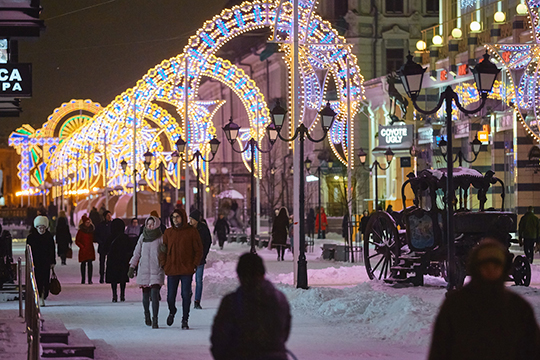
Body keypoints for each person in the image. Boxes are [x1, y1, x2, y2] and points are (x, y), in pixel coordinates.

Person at [428, 238, 540, 360]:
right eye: (485, 264)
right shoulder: (455, 305)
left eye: (496, 264)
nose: (490, 269)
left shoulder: (518, 307)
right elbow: (440, 350)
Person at [210, 253, 291, 360]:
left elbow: (219, 338)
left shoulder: (231, 302)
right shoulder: (279, 299)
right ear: (263, 274)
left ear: (239, 276)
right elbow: (283, 332)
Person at [159, 208, 202, 330]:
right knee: (170, 296)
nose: (175, 219)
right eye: (173, 217)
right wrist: (164, 264)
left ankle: (185, 319)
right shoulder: (168, 233)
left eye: (177, 217)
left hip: (186, 269)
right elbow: (163, 249)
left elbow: (198, 249)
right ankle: (172, 311)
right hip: (172, 268)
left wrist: (194, 264)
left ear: (183, 217)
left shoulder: (191, 232)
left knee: (185, 294)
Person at [128, 216, 165, 329]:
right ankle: (147, 315)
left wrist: (164, 252)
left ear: (156, 225)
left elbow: (165, 252)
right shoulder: (142, 237)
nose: (149, 226)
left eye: (152, 224)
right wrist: (132, 266)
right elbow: (137, 253)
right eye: (148, 224)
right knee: (145, 295)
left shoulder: (161, 237)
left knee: (154, 295)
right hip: (144, 269)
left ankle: (155, 319)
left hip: (156, 269)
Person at [26, 216, 56, 306]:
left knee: (45, 280)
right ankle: (39, 297)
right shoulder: (31, 238)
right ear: (36, 227)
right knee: (37, 280)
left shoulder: (49, 237)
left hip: (46, 262)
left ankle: (44, 295)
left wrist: (52, 262)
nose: (41, 230)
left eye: (43, 228)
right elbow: (28, 251)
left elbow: (52, 250)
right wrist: (29, 262)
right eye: (40, 227)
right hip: (35, 263)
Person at [189, 209, 212, 310]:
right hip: (189, 259)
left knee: (199, 280)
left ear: (196, 220)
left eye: (192, 219)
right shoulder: (187, 229)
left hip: (200, 259)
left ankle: (197, 301)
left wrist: (204, 255)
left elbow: (208, 242)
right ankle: (187, 298)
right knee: (187, 280)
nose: (190, 221)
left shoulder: (203, 229)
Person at [105, 219, 131, 302]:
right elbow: (129, 249)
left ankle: (114, 295)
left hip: (113, 260)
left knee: (114, 279)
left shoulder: (110, 237)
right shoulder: (125, 237)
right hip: (123, 260)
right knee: (122, 278)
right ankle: (122, 295)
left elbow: (105, 248)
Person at [75, 215, 96, 284]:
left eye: (89, 222)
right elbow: (77, 241)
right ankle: (83, 279)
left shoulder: (91, 230)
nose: (88, 224)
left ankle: (90, 279)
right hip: (83, 250)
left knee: (90, 264)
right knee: (83, 264)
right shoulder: (81, 231)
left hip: (90, 249)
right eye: (87, 222)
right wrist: (82, 246)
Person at [94, 210, 112, 283]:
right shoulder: (100, 225)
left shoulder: (112, 225)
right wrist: (100, 242)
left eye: (110, 215)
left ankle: (109, 276)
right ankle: (101, 276)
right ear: (104, 217)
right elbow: (96, 235)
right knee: (102, 262)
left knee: (110, 262)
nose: (109, 217)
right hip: (102, 246)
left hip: (110, 246)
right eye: (108, 215)